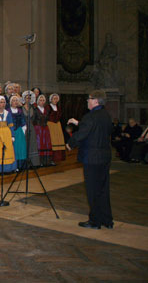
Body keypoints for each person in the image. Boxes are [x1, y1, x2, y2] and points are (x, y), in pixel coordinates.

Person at [66, 90, 114, 229]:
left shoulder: (90, 116)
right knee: (103, 189)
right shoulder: (106, 115)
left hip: (92, 158)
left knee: (93, 190)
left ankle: (95, 221)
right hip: (104, 157)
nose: (87, 101)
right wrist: (78, 122)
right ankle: (107, 220)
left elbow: (82, 134)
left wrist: (70, 143)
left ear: (96, 101)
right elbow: (95, 128)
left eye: (89, 99)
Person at [0, 96, 17, 173]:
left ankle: (8, 168)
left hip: (6, 134)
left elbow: (11, 125)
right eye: (1, 102)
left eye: (3, 102)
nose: (2, 104)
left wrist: (12, 135)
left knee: (8, 150)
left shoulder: (7, 113)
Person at [22, 91, 41, 167]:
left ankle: (34, 162)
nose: (28, 99)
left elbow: (36, 117)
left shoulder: (33, 108)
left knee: (32, 144)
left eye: (30, 98)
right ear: (24, 98)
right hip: (24, 127)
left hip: (31, 127)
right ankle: (25, 163)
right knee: (25, 143)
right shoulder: (21, 107)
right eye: (27, 98)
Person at [34, 94, 54, 166]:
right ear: (37, 101)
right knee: (40, 144)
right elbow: (34, 120)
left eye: (43, 100)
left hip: (45, 128)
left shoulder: (46, 110)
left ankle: (47, 161)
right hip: (38, 129)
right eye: (40, 100)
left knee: (47, 144)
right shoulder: (35, 110)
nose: (42, 102)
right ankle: (39, 161)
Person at [9, 95, 27, 170]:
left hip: (19, 131)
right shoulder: (8, 111)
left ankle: (21, 165)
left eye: (16, 100)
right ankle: (14, 166)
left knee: (21, 148)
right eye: (13, 100)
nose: (15, 102)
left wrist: (24, 128)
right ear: (10, 102)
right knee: (14, 149)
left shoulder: (20, 111)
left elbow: (23, 120)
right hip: (11, 131)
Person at [47, 93, 66, 162]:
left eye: (56, 99)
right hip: (51, 125)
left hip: (57, 125)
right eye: (54, 99)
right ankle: (52, 158)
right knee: (53, 140)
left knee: (59, 140)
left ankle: (59, 157)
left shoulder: (59, 107)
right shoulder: (48, 107)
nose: (55, 100)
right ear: (50, 99)